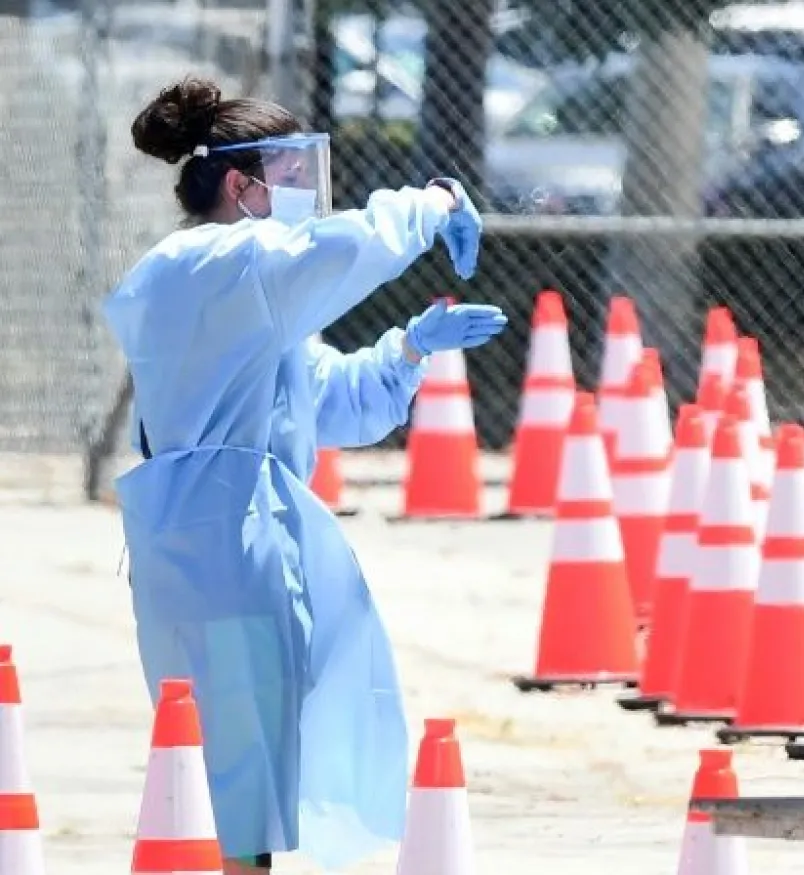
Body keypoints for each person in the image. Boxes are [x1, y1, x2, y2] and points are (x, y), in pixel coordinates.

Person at [104, 77, 508, 874]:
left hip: (241, 547)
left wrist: (408, 350)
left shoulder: (244, 294)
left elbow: (330, 402)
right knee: (234, 784)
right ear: (238, 185)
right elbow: (342, 250)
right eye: (290, 180)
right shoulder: (208, 264)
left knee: (250, 775)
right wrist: (430, 205)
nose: (304, 200)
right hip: (218, 552)